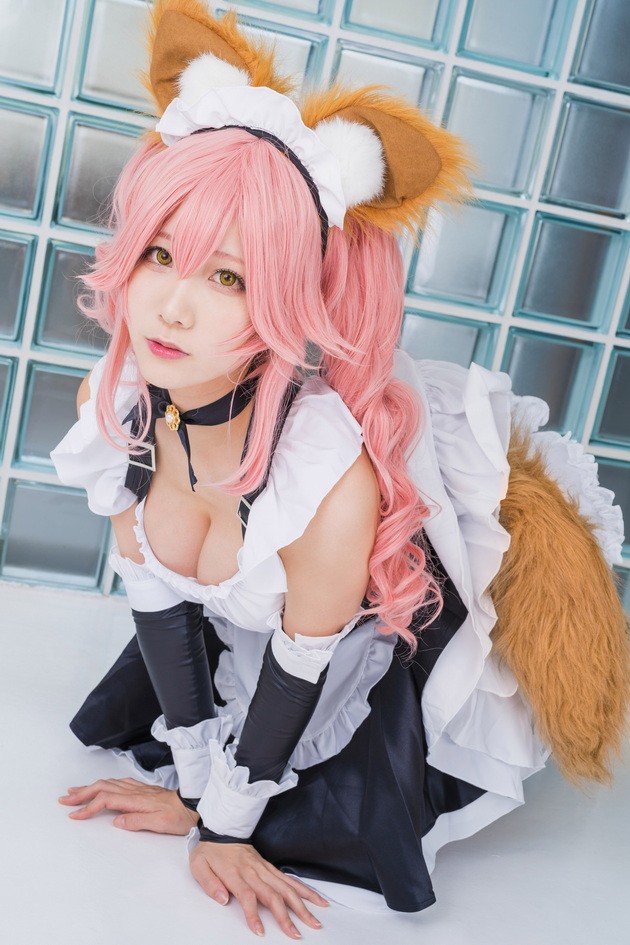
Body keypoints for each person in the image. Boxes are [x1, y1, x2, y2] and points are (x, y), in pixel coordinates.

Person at [50, 0, 629, 937]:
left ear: (288, 303)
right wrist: (192, 783)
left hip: (368, 640)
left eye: (228, 277)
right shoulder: (117, 404)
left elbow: (300, 666)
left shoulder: (324, 483)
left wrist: (224, 824)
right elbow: (158, 601)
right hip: (253, 638)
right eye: (160, 253)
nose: (172, 307)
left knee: (325, 804)